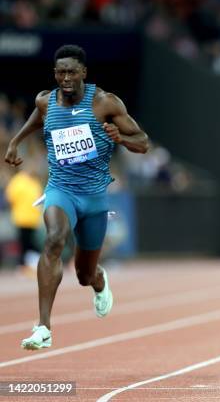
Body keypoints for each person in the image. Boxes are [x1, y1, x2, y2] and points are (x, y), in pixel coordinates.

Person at [4, 44, 149, 350]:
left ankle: (99, 281)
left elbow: (143, 142)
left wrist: (120, 138)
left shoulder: (105, 103)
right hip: (61, 189)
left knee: (84, 273)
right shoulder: (45, 101)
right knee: (54, 239)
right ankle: (43, 327)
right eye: (60, 72)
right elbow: (35, 120)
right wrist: (16, 142)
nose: (65, 78)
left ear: (84, 72)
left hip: (94, 197)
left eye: (71, 71)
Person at [5, 163, 43, 271]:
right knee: (25, 242)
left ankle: (27, 264)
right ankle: (23, 264)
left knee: (29, 242)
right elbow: (10, 198)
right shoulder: (18, 181)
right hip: (22, 218)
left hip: (33, 218)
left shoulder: (34, 182)